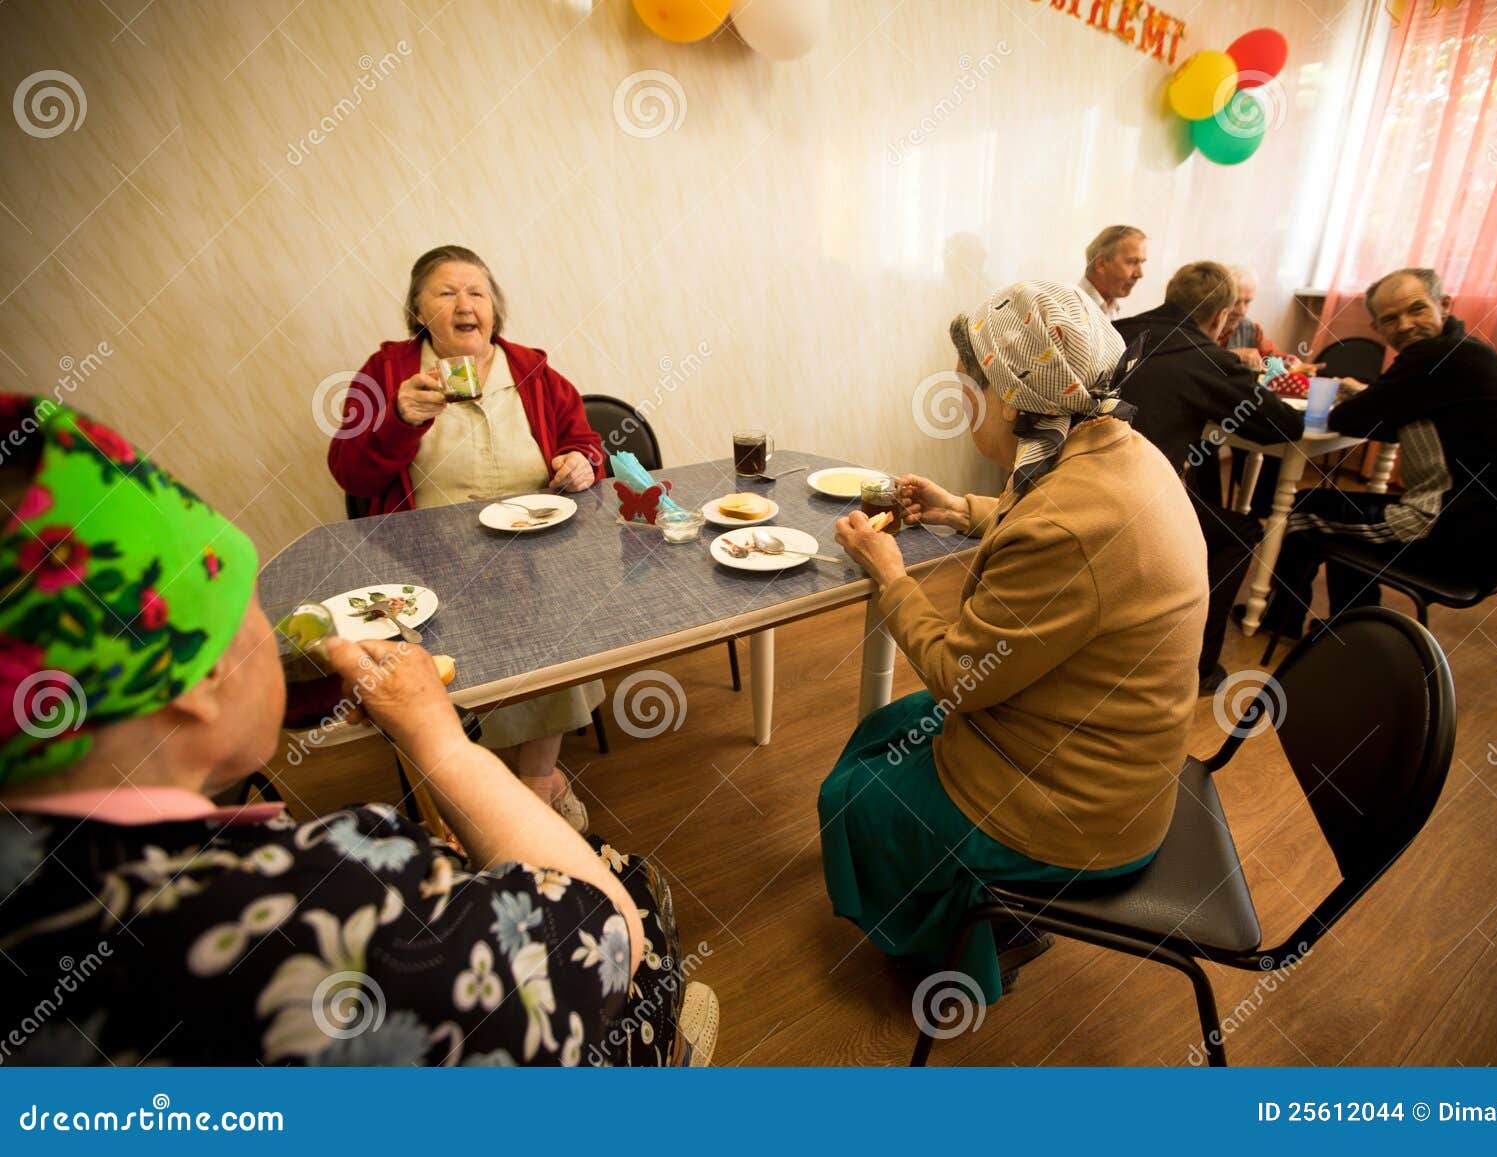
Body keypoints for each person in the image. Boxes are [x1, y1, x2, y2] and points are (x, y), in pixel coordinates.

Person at [0, 396, 717, 1066]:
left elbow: (584, 441)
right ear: (195, 683)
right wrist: (440, 739)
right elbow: (603, 933)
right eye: (247, 604)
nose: (269, 625)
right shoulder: (332, 895)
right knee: (628, 889)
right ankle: (666, 1048)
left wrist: (583, 460)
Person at [819, 282, 1207, 1003]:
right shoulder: (1118, 449)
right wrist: (960, 508)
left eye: (969, 384)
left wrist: (890, 575)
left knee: (857, 793)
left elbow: (957, 675)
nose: (961, 397)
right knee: (883, 726)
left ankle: (967, 947)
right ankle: (974, 923)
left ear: (1006, 395)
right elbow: (1051, 523)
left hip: (1080, 816)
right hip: (1123, 768)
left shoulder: (1064, 525)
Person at [328, 245, 604, 832]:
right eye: (445, 293)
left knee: (561, 616)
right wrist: (397, 421)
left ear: (494, 309)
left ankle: (536, 786)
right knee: (440, 641)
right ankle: (472, 786)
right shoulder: (385, 375)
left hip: (537, 547)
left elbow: (586, 443)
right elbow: (349, 473)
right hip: (429, 556)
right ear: (418, 310)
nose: (464, 305)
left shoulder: (533, 369)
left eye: (476, 292)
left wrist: (582, 461)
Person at [1258, 268, 1497, 638]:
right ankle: (1351, 629)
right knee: (1347, 518)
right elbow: (1390, 419)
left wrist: (1358, 398)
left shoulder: (1432, 355)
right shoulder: (1466, 353)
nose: (1404, 325)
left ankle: (1282, 623)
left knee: (1300, 513)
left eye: (1416, 309)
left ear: (1444, 305)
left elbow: (1355, 420)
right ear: (1378, 327)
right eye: (1390, 319)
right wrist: (1366, 395)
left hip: (1462, 543)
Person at [1114, 262, 1305, 692]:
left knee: (1197, 496)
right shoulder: (1206, 358)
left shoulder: (1113, 333)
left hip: (1075, 487)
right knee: (1237, 533)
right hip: (1136, 509)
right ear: (1220, 316)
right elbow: (1285, 427)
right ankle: (1198, 667)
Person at [1218, 265, 1285, 373]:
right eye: (1235, 302)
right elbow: (1192, 362)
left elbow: (1275, 359)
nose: (1242, 311)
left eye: (1247, 302)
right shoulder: (1200, 326)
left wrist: (1291, 363)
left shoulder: (1252, 329)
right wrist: (1232, 355)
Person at [1078, 225, 1147, 318]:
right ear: (1101, 263)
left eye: (1141, 263)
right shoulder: (1068, 309)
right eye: (1132, 262)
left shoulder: (1113, 310)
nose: (1140, 274)